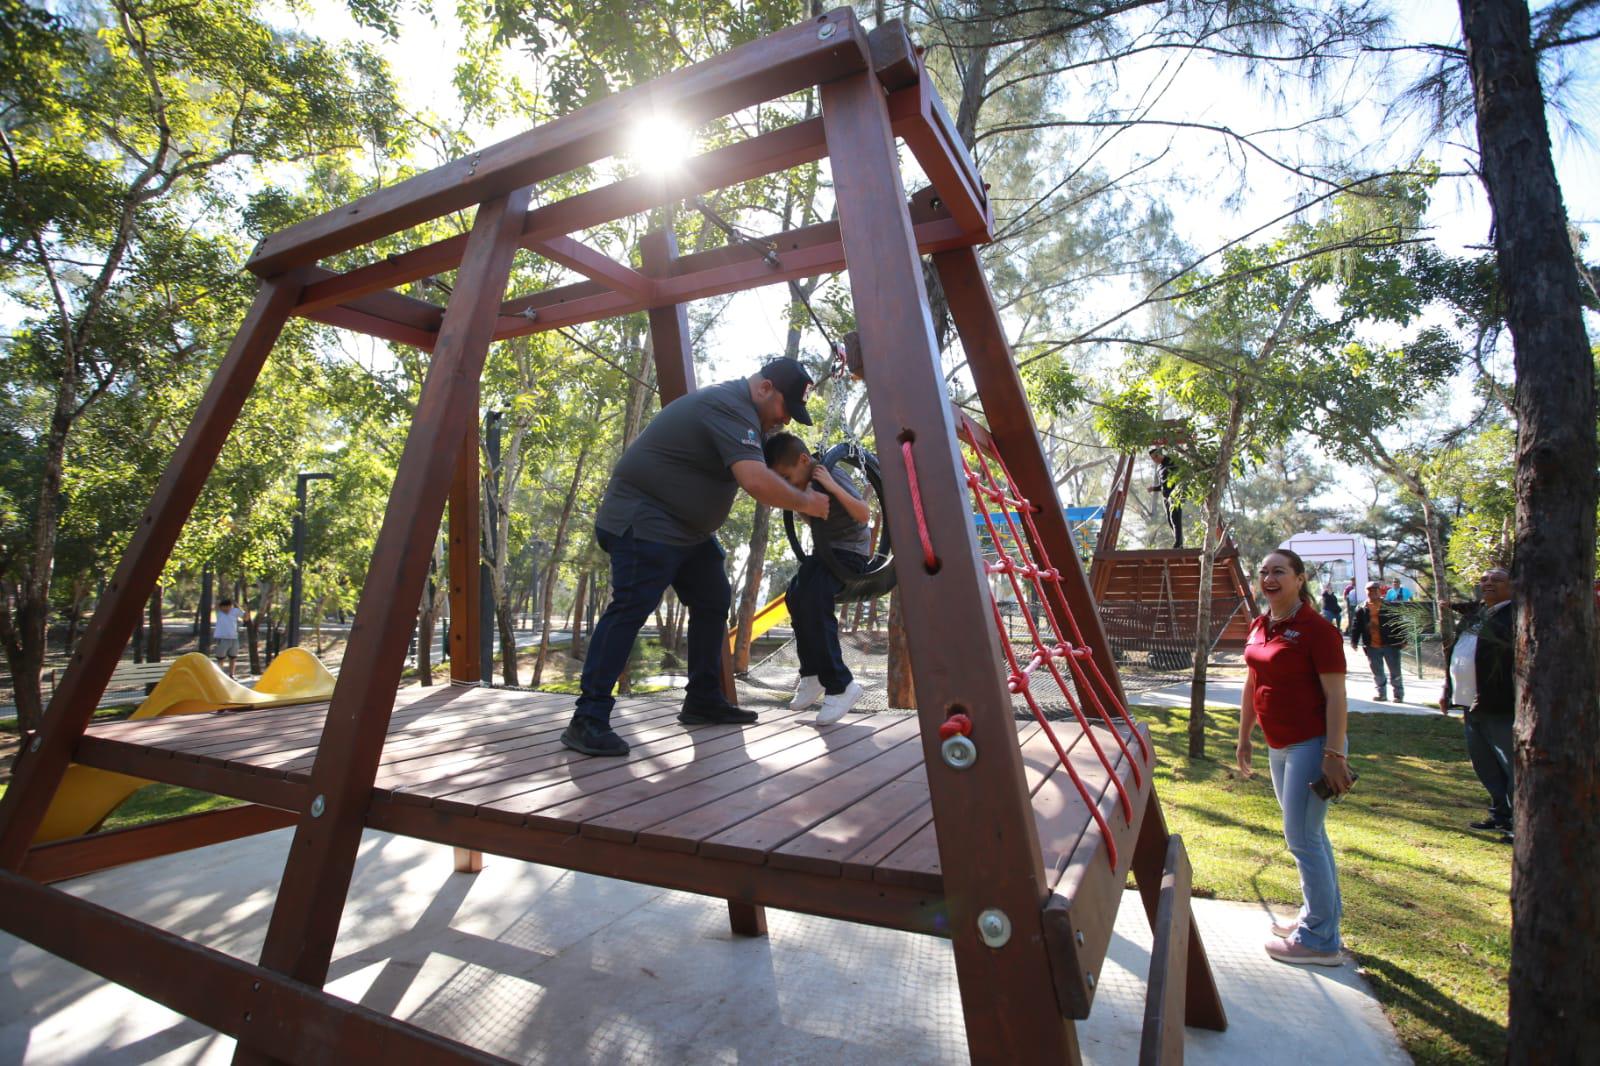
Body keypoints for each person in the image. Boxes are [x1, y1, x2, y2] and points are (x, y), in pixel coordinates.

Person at [561, 358, 832, 758]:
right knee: (631, 608)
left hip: (688, 532)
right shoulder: (731, 407)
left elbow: (771, 472)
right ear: (764, 389)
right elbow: (756, 481)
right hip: (644, 519)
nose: (785, 419)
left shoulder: (751, 420)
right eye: (784, 408)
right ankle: (588, 718)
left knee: (712, 597)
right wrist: (807, 502)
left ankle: (703, 699)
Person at [1238, 548, 1353, 967]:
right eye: (1264, 571)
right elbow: (1253, 682)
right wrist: (1244, 736)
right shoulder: (1260, 625)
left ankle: (1320, 941)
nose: (1269, 578)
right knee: (1310, 836)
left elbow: (1336, 695)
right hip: (1279, 744)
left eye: (1279, 571)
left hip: (1312, 744)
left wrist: (1333, 753)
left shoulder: (1317, 630)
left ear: (1300, 579)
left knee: (1303, 838)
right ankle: (1319, 919)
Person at [764, 432, 871, 724]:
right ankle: (812, 675)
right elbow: (816, 521)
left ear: (803, 460)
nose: (787, 484)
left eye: (787, 477)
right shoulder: (804, 484)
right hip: (826, 553)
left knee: (814, 598)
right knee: (795, 596)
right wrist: (799, 504)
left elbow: (863, 514)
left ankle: (841, 685)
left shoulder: (829, 472)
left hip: (850, 555)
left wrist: (831, 486)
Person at [1439, 567, 1516, 843]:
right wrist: (1447, 690)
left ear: (1512, 586)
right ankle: (1501, 814)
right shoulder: (1478, 614)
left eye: (1497, 579)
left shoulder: (1515, 616)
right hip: (1468, 702)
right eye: (1484, 579)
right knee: (1485, 764)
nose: (1488, 583)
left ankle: (1520, 821)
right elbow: (1458, 653)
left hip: (1499, 704)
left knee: (1511, 765)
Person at [1348, 580, 1407, 702]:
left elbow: (1399, 623)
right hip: (1372, 645)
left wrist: (1403, 639)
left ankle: (1398, 695)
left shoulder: (1390, 606)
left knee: (1395, 671)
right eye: (1370, 590)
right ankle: (1381, 694)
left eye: (1375, 590)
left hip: (1391, 644)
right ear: (1366, 592)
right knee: (1377, 672)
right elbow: (1356, 626)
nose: (1372, 593)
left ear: (1380, 592)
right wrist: (1354, 641)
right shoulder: (1361, 608)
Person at [1147, 446, 1182, 548]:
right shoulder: (1159, 468)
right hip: (1166, 496)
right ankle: (1178, 542)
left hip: (1175, 494)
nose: (1155, 460)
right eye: (1152, 459)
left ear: (1160, 454)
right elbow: (1163, 485)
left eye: (1155, 457)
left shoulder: (1171, 461)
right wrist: (1153, 488)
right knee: (1170, 520)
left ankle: (1178, 543)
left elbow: (1180, 476)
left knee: (1175, 518)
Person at [214, 597, 247, 678]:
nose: (226, 609)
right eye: (224, 607)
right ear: (221, 607)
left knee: (233, 657)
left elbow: (246, 617)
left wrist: (237, 605)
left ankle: (232, 674)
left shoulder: (235, 611)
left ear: (231, 606)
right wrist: (226, 600)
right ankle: (219, 676)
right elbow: (217, 602)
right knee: (221, 658)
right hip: (222, 638)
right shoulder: (219, 612)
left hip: (234, 638)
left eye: (228, 607)